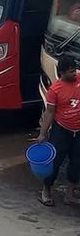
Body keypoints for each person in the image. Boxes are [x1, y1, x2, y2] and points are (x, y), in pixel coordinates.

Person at [36, 55, 80, 207]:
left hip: (78, 130)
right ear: (61, 73)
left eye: (74, 70)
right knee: (55, 163)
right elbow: (49, 112)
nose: (74, 74)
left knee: (76, 162)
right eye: (70, 72)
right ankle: (46, 191)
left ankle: (70, 194)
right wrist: (43, 133)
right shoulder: (55, 90)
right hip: (61, 130)